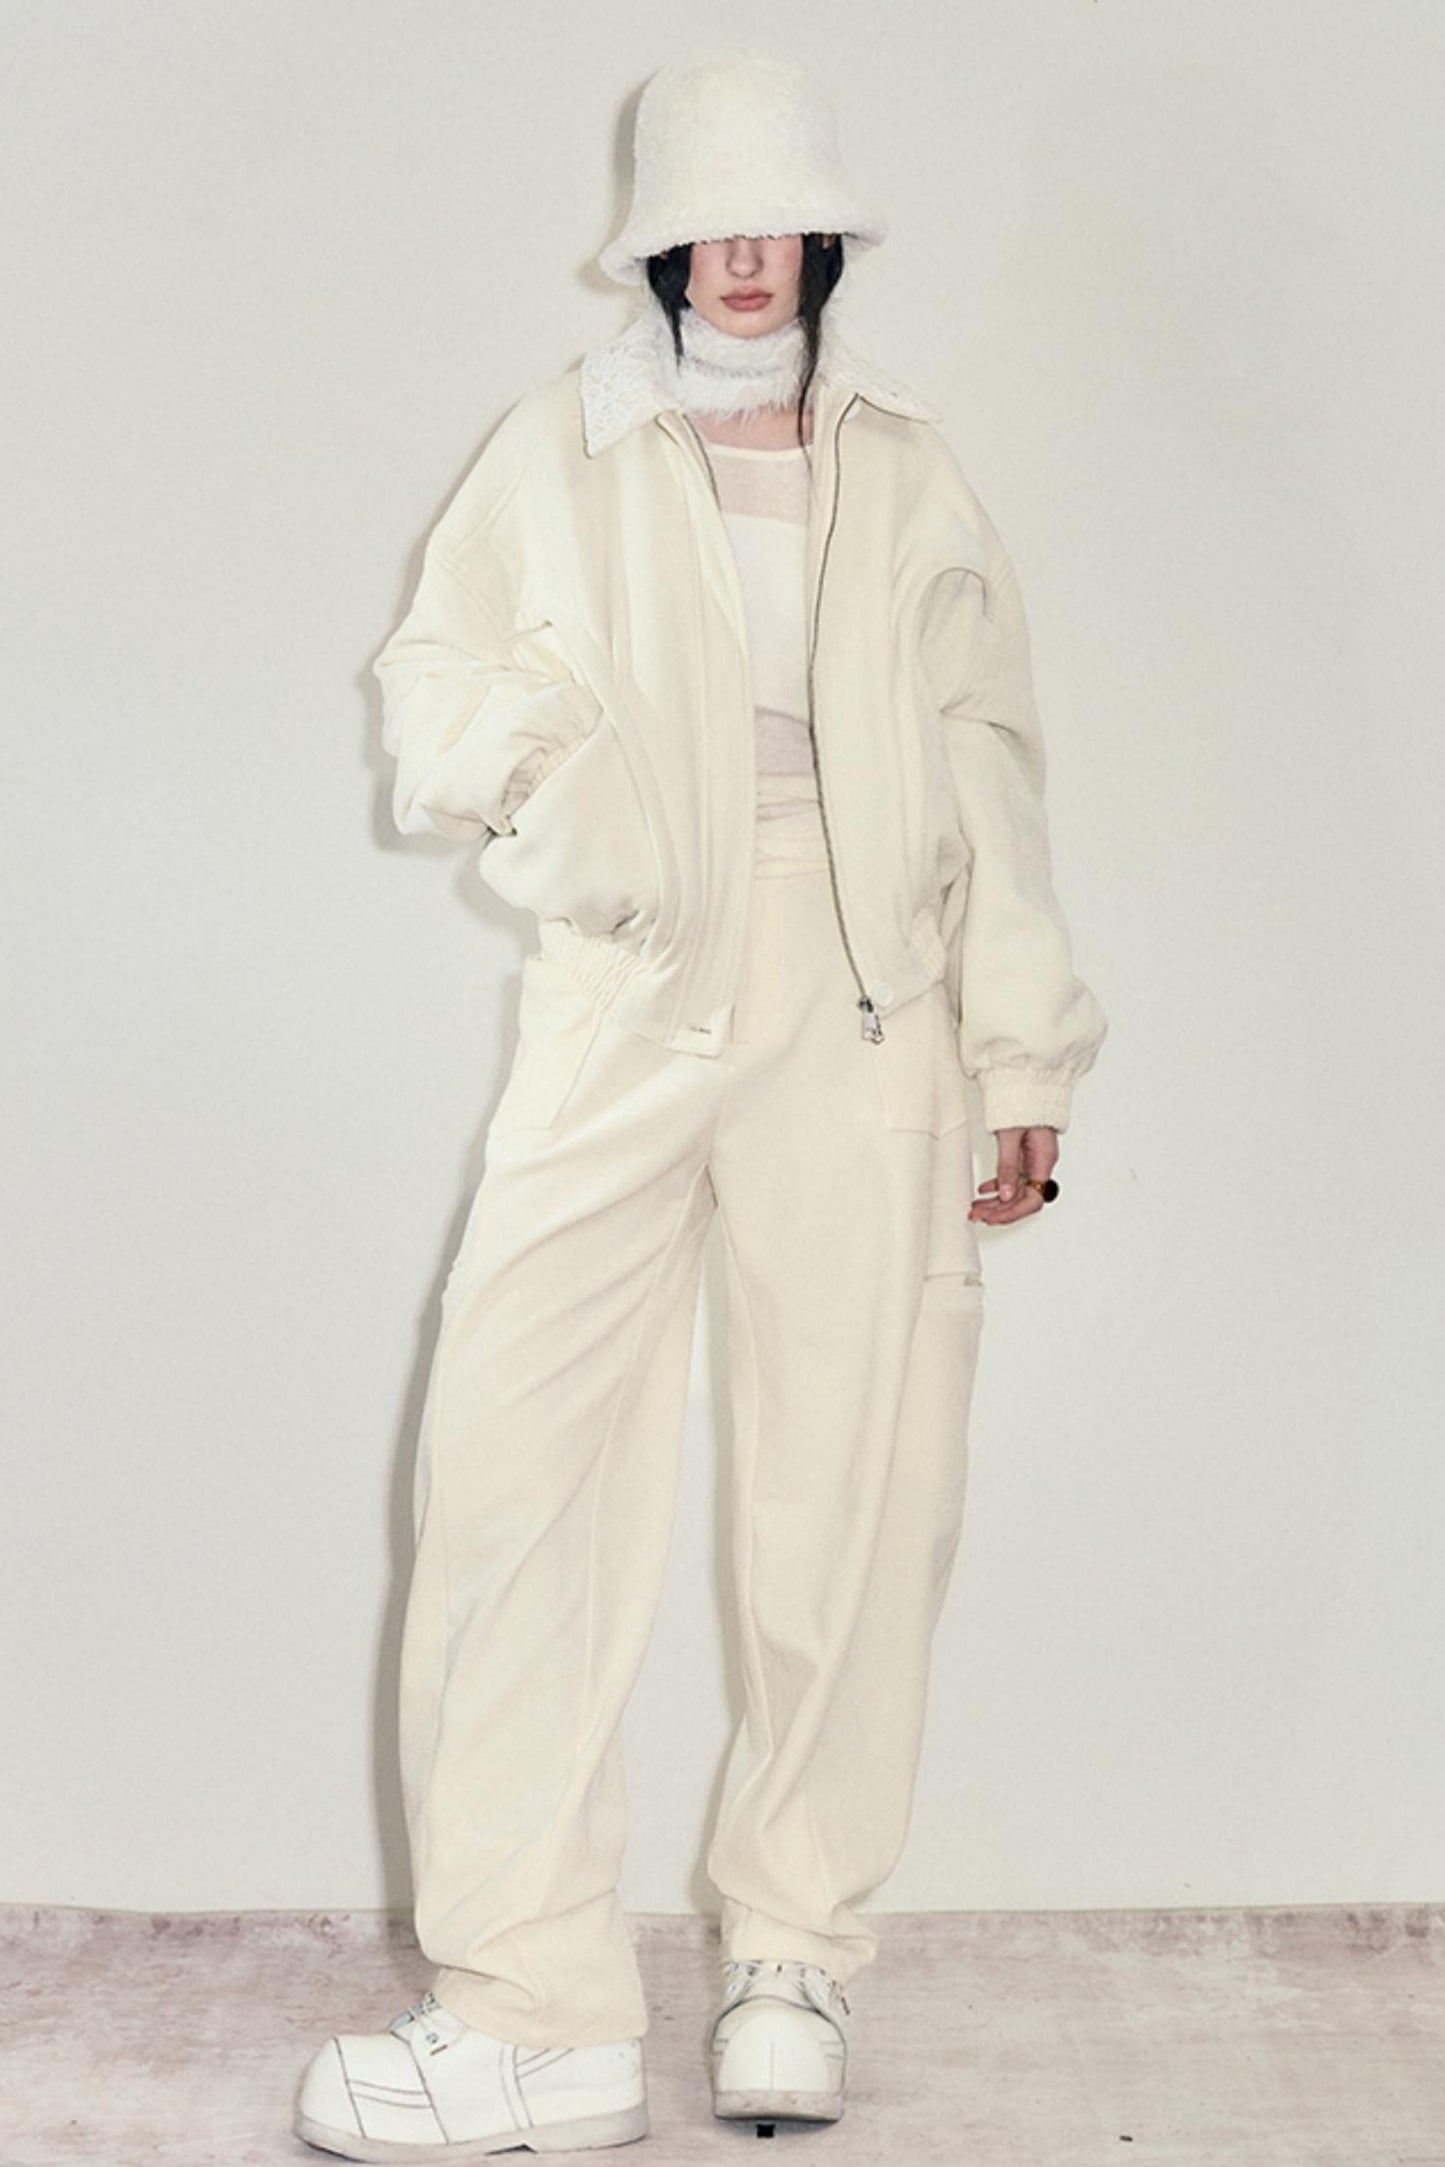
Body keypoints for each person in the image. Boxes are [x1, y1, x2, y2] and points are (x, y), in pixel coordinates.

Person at [295, 42, 1108, 2162]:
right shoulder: (559, 446)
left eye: (777, 222)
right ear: (656, 243)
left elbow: (989, 758)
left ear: (822, 239)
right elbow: (434, 688)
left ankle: (792, 1958)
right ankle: (532, 2005)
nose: (744, 260)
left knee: (854, 1487)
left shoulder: (910, 468)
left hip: (869, 997)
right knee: (514, 1467)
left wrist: (1020, 1040)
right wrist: (575, 813)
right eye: (706, 225)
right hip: (630, 989)